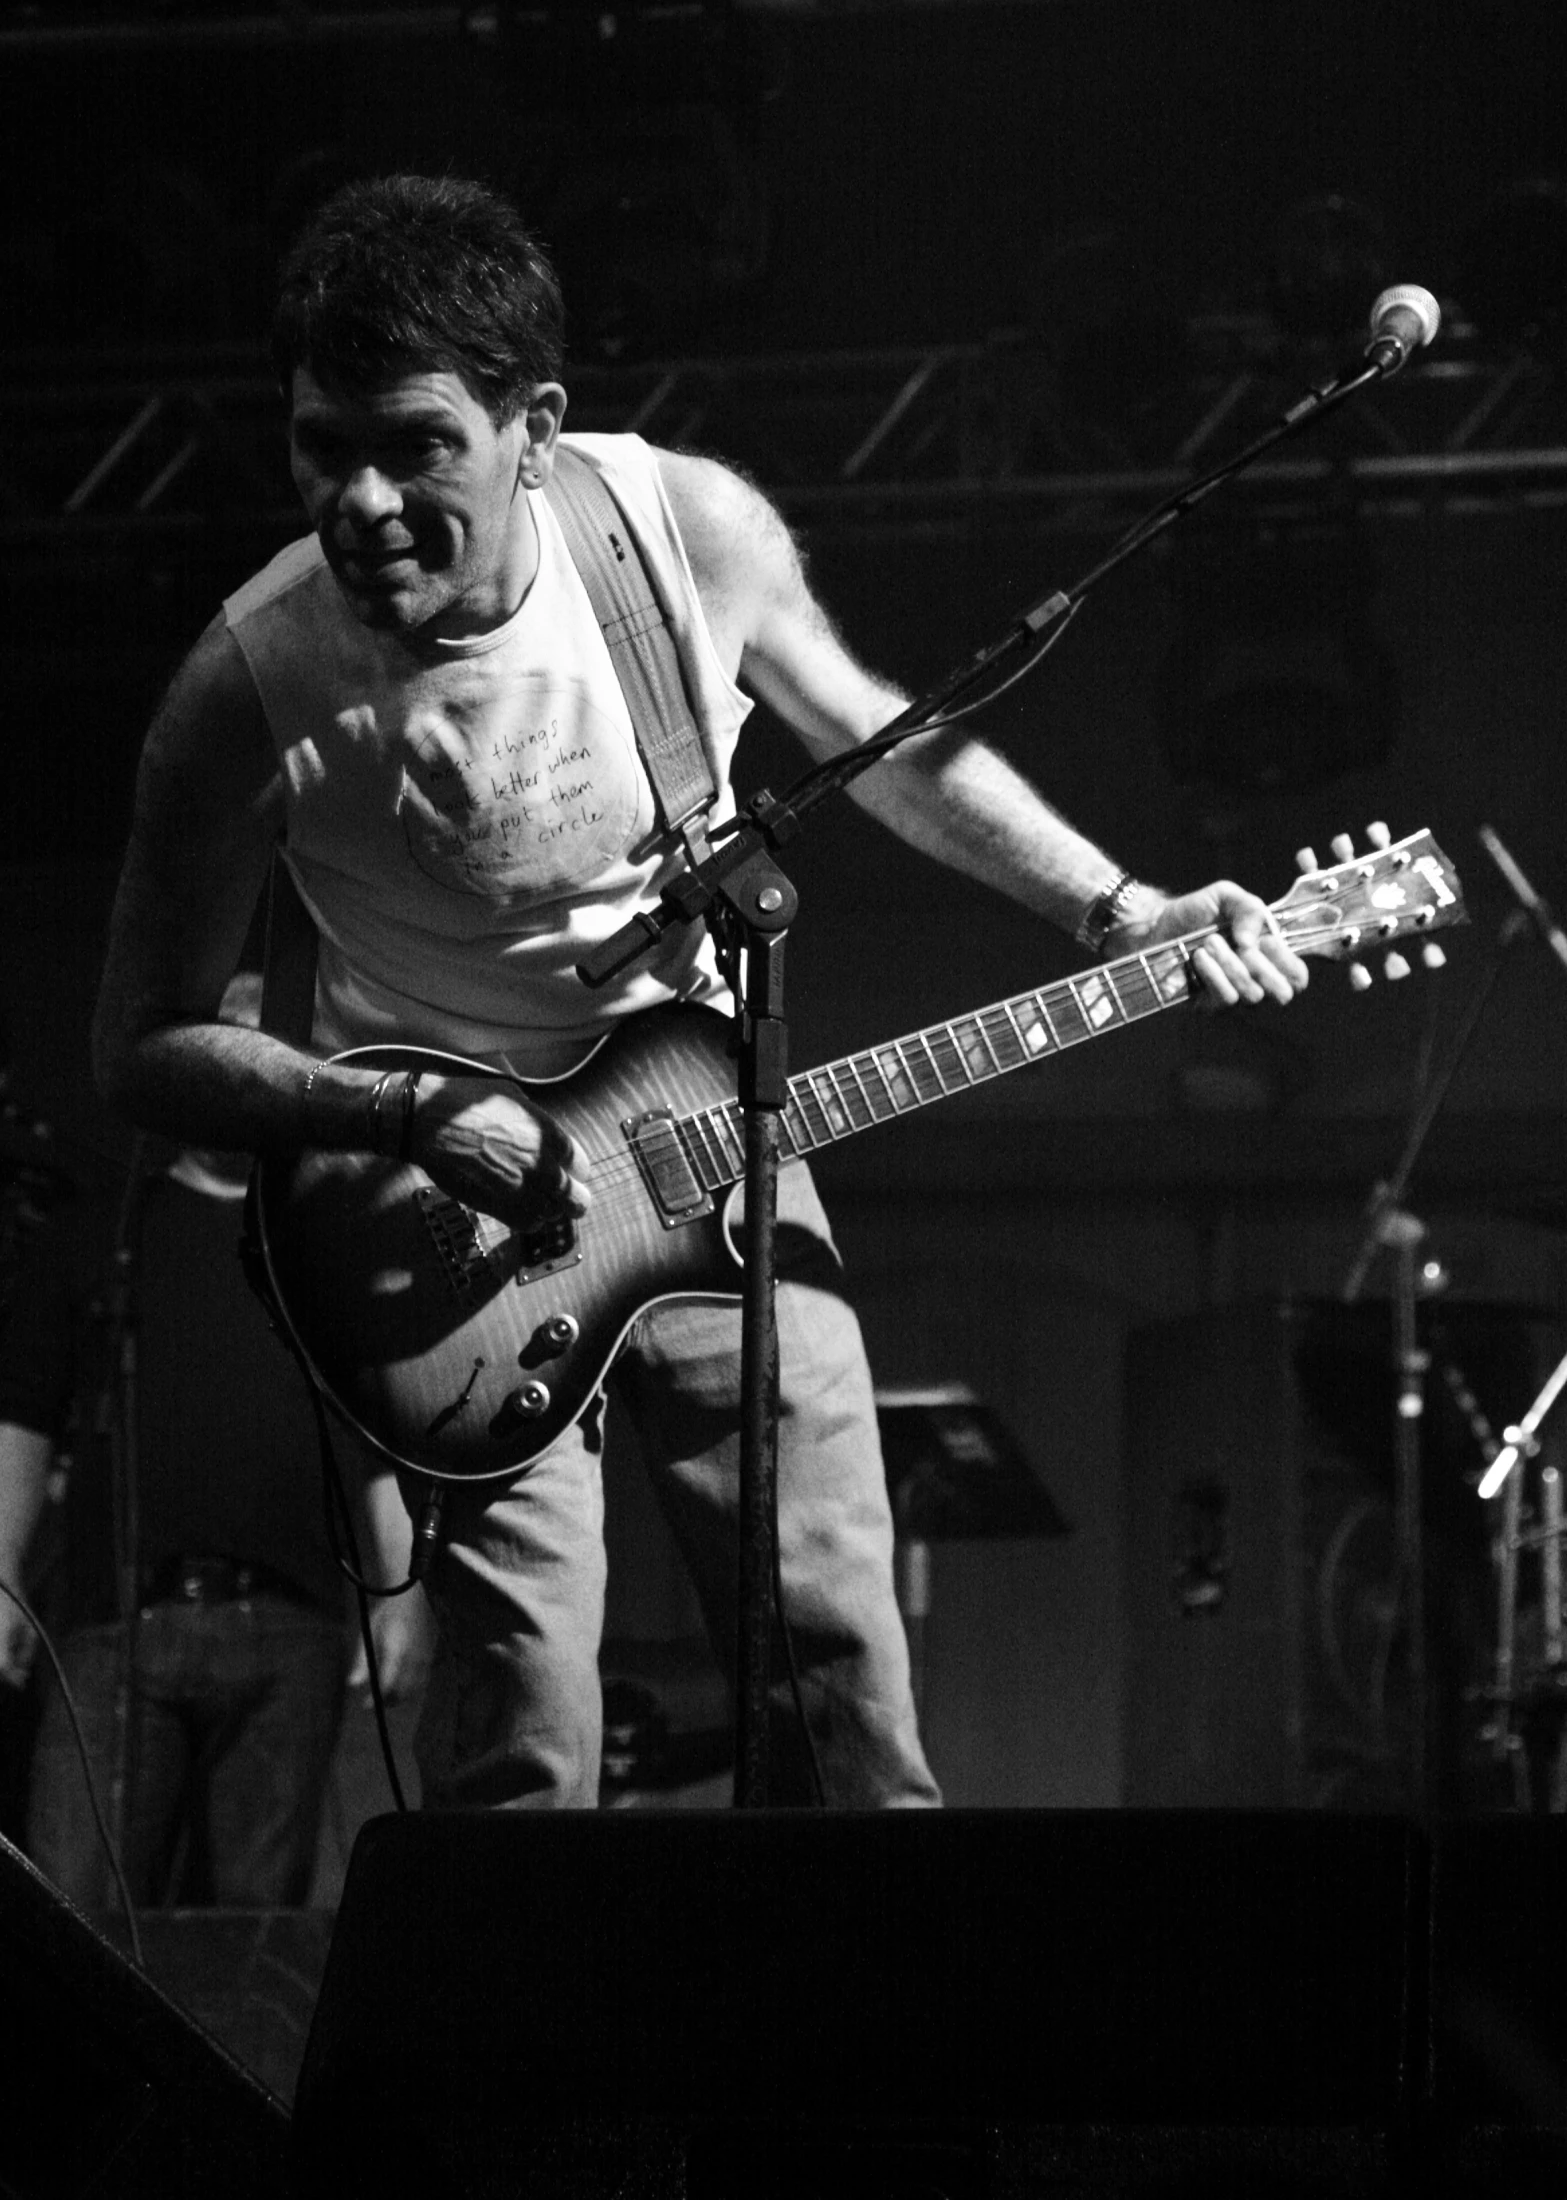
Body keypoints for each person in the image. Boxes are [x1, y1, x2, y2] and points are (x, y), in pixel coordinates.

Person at [90, 173, 1309, 1813]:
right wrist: (400, 1109)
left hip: (718, 1139)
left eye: (415, 445)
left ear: (535, 424)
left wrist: (1116, 904)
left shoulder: (679, 541)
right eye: (325, 448)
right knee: (526, 1733)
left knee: (842, 1685)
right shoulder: (245, 694)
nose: (363, 501)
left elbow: (888, 747)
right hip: (427, 1233)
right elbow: (141, 1049)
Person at [0, 1055, 435, 1917]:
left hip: (290, 1627)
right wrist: (4, 1576)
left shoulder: (327, 1254)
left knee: (254, 1937)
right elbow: (20, 1415)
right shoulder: (100, 1236)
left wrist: (400, 1590)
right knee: (71, 1920)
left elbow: (369, 1431)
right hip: (109, 1623)